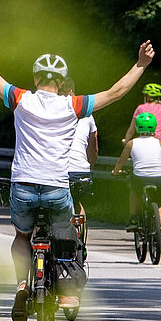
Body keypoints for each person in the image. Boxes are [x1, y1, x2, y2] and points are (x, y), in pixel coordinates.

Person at [0, 25, 153, 321]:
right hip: (56, 187)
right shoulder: (74, 105)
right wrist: (140, 64)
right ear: (62, 81)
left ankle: (21, 285)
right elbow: (116, 93)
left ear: (35, 78)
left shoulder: (20, 99)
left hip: (23, 187)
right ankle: (66, 292)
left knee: (21, 236)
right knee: (65, 234)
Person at [113, 112, 161, 247]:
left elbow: (121, 161)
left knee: (134, 193)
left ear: (137, 127)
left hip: (140, 179)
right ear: (154, 127)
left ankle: (133, 219)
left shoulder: (132, 143)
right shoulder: (158, 143)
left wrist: (116, 171)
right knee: (160, 205)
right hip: (158, 178)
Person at [62, 79, 97, 224]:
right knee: (77, 203)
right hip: (81, 170)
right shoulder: (87, 114)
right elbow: (93, 148)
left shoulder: (52, 110)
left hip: (58, 171)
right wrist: (90, 166)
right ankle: (81, 236)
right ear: (72, 91)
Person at [120, 83, 161, 155]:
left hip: (148, 145)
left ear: (148, 97)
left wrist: (126, 141)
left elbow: (131, 130)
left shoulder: (141, 108)